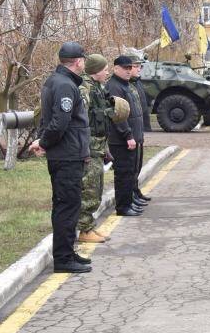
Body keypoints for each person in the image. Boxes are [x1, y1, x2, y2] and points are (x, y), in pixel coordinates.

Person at [27, 42, 92, 274]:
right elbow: (59, 123)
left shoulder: (56, 81)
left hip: (65, 154)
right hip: (67, 156)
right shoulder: (65, 85)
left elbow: (48, 120)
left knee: (66, 206)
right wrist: (44, 142)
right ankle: (64, 259)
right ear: (78, 62)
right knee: (67, 207)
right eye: (83, 59)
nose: (84, 63)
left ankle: (67, 251)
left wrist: (42, 141)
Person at [76, 54, 116, 245]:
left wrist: (105, 147)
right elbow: (80, 122)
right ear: (95, 71)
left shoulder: (98, 89)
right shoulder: (84, 90)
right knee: (89, 191)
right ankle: (84, 230)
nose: (107, 71)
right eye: (104, 68)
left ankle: (89, 226)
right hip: (89, 149)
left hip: (98, 147)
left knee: (96, 189)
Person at [105, 56, 144, 217]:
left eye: (130, 68)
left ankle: (129, 201)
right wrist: (127, 134)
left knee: (129, 172)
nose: (129, 71)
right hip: (120, 140)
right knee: (123, 173)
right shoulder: (114, 87)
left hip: (130, 137)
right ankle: (123, 206)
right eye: (125, 68)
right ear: (116, 69)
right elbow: (117, 115)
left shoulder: (126, 85)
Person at [129, 59, 153, 203]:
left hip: (139, 130)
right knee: (131, 167)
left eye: (140, 66)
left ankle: (136, 191)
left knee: (137, 165)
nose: (139, 69)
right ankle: (131, 194)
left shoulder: (136, 82)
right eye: (136, 67)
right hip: (131, 131)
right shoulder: (127, 85)